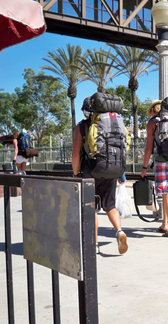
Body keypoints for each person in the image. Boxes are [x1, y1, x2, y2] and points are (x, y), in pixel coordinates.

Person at [72, 99, 128, 254]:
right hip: (110, 170)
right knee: (110, 206)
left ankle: (94, 244)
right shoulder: (111, 125)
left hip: (91, 172)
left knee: (92, 209)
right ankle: (119, 232)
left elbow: (76, 153)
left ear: (87, 111)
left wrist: (76, 173)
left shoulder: (82, 127)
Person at [140, 99, 168, 238]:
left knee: (166, 193)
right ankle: (165, 223)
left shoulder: (153, 122)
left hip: (162, 160)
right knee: (167, 191)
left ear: (153, 110)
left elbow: (148, 147)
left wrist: (144, 167)